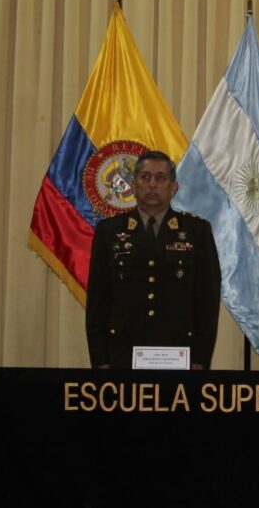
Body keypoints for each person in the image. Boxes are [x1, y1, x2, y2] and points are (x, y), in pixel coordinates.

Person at [85, 150, 221, 369]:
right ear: (134, 184)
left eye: (160, 178)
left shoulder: (197, 232)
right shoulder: (109, 231)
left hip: (179, 351)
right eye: (145, 177)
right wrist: (100, 360)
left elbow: (207, 301)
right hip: (122, 352)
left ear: (173, 187)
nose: (152, 184)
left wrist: (200, 359)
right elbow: (97, 302)